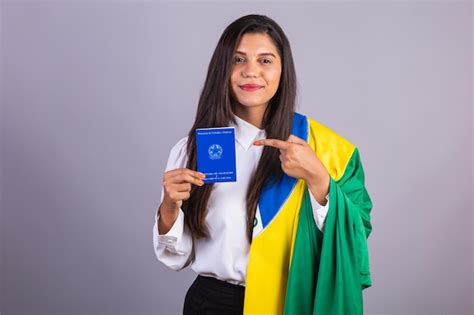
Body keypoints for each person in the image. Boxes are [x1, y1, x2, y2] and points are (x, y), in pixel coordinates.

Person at [153, 14, 373, 315]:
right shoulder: (194, 149)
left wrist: (319, 181)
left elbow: (357, 235)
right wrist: (168, 207)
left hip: (291, 302)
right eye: (238, 60)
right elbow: (177, 258)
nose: (251, 72)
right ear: (222, 70)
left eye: (265, 61)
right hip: (213, 305)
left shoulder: (328, 151)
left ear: (283, 70)